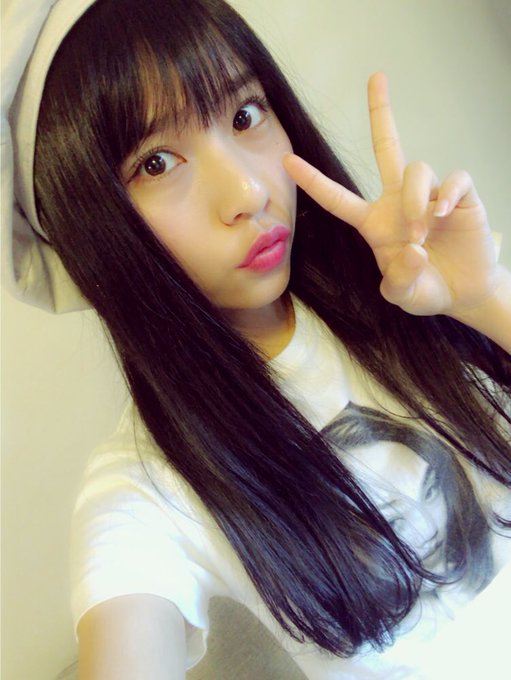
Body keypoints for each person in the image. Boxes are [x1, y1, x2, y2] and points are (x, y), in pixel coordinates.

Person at [4, 0, 511, 677]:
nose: (246, 191)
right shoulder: (146, 487)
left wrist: (484, 299)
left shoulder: (405, 286)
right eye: (156, 163)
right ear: (91, 231)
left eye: (245, 115)